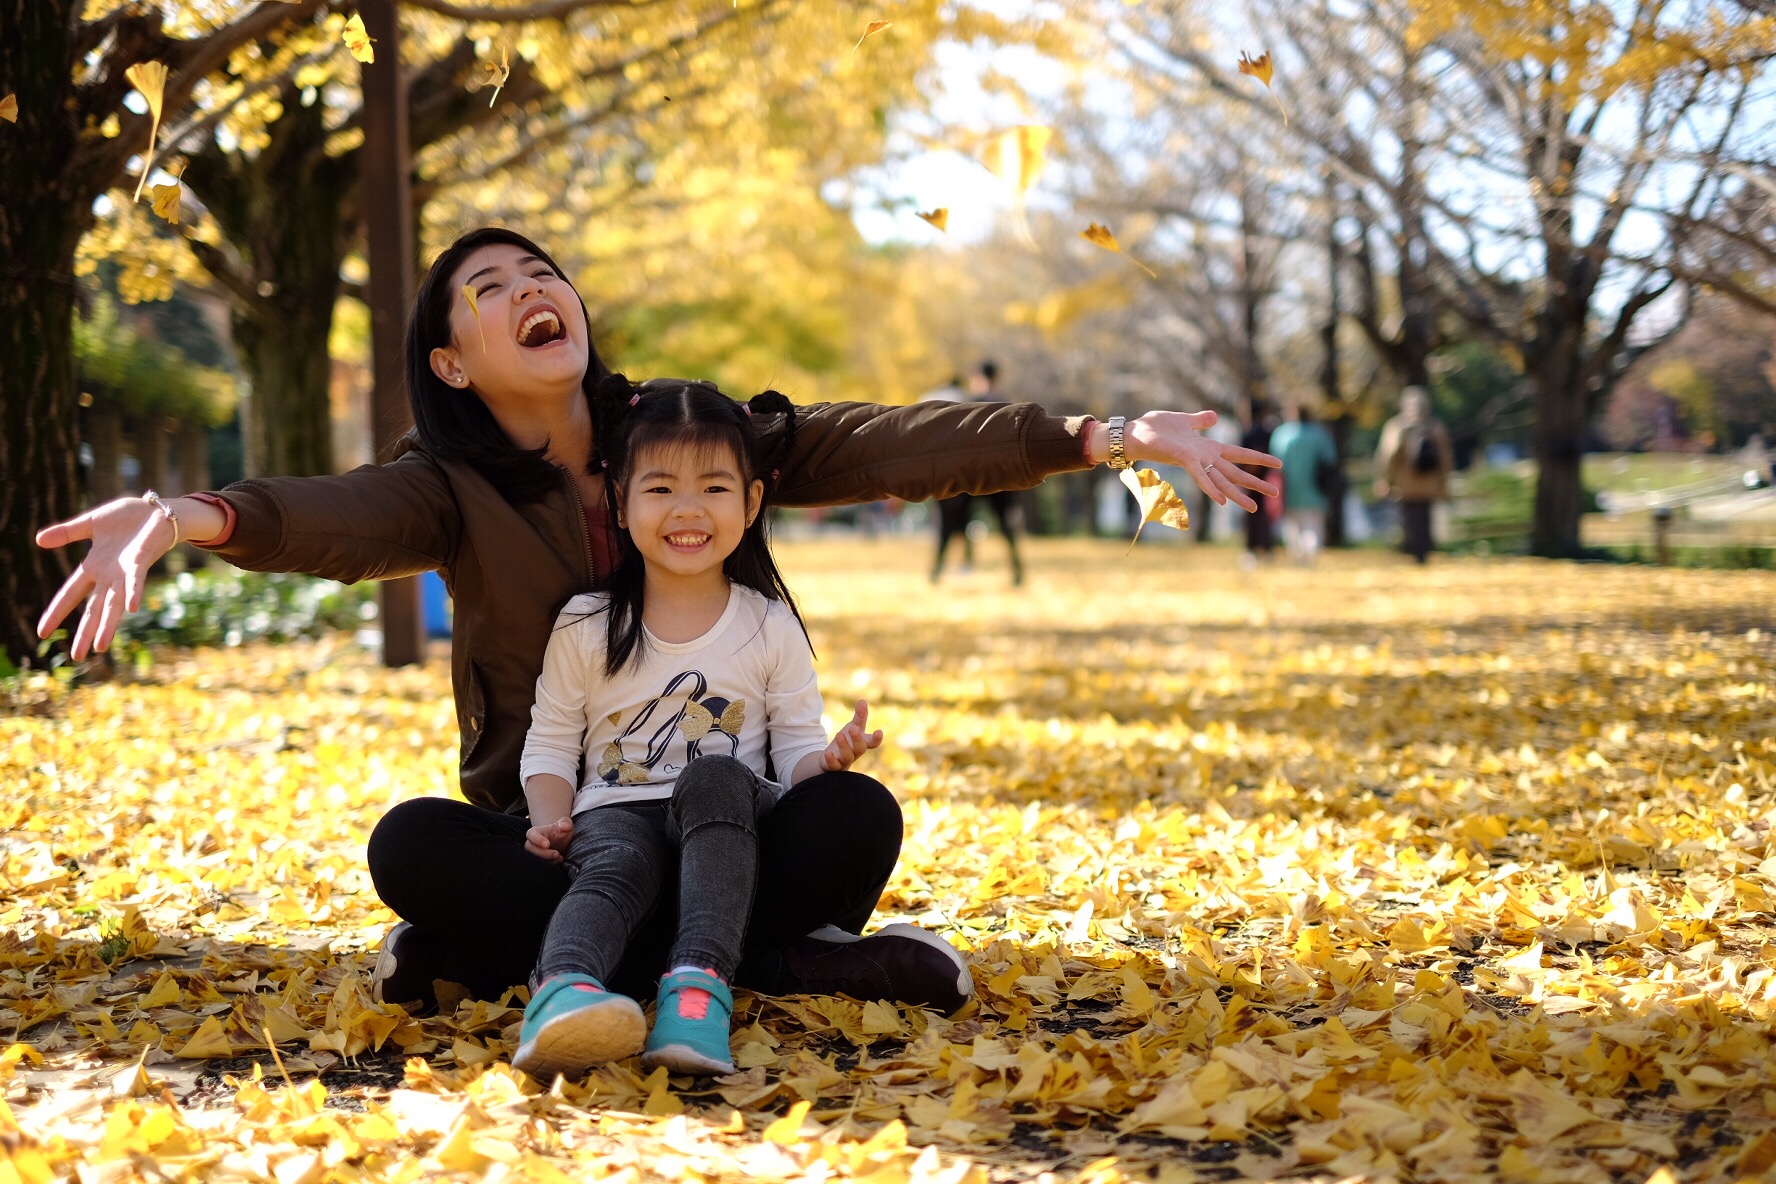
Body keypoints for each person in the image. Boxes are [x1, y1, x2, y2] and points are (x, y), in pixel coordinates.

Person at [33, 226, 1280, 1015]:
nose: (532, 289)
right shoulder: (448, 487)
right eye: (489, 286)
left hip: (736, 816)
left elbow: (880, 438)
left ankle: (536, 959)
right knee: (412, 844)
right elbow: (326, 514)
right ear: (455, 359)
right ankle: (782, 964)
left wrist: (1097, 436)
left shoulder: (687, 433)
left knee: (855, 815)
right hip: (563, 837)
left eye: (542, 272)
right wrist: (179, 514)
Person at [513, 378, 889, 1079]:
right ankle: (561, 994)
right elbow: (553, 740)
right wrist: (551, 819)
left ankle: (697, 992)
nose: (688, 510)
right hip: (615, 814)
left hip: (729, 823)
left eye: (714, 488)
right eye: (659, 490)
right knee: (615, 865)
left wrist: (830, 763)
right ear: (620, 502)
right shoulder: (586, 624)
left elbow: (796, 752)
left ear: (751, 502)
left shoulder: (769, 625)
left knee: (720, 776)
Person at [931, 361, 1025, 586]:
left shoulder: (968, 404)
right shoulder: (1007, 405)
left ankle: (936, 570)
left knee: (950, 524)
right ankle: (1017, 570)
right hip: (999, 475)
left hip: (970, 475)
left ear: (979, 377)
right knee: (1005, 526)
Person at [1375, 386, 1454, 564]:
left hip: (1405, 483)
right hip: (1429, 482)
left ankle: (1414, 551)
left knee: (1410, 517)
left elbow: (1388, 455)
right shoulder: (1435, 426)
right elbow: (1445, 456)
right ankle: (1423, 552)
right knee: (1425, 517)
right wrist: (1444, 479)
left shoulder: (1397, 426)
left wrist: (1385, 479)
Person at [1268, 403, 1339, 566]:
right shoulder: (1319, 434)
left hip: (1289, 488)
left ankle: (1297, 557)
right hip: (1315, 488)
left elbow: (1275, 461)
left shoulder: (1282, 434)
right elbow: (1330, 459)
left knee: (1292, 525)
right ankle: (1310, 555)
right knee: (1313, 525)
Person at [1239, 400, 1281, 568]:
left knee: (1252, 516)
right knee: (1263, 516)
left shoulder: (1250, 433)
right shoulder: (1268, 432)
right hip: (1265, 478)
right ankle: (1266, 548)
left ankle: (1253, 549)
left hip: (1250, 479)